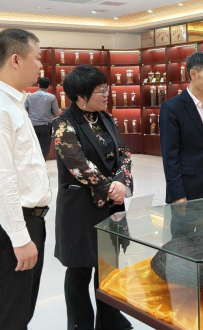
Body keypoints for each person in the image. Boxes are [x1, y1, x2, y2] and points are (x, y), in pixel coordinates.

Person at [52, 65, 133, 330]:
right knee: (80, 270)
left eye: (106, 89)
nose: (107, 94)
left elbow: (124, 155)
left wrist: (121, 182)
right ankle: (80, 325)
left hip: (111, 205)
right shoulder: (63, 123)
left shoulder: (107, 118)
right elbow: (78, 165)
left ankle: (109, 322)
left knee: (108, 267)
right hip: (81, 208)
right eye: (101, 91)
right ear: (81, 96)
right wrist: (111, 187)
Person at [0, 28, 52, 330]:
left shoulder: (12, 102)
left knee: (18, 312)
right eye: (37, 58)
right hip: (10, 226)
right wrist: (20, 238)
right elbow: (1, 180)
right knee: (6, 318)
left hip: (23, 222)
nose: (41, 66)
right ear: (15, 60)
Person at [160, 51, 203, 204]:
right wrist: (177, 194)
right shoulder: (172, 108)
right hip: (187, 188)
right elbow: (170, 156)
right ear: (193, 74)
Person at [25, 76, 60, 158]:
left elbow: (25, 109)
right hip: (46, 125)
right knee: (44, 147)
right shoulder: (51, 97)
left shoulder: (30, 96)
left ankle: (35, 163)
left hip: (32, 125)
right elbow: (56, 111)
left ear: (38, 85)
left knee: (34, 147)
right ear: (48, 86)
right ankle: (43, 163)